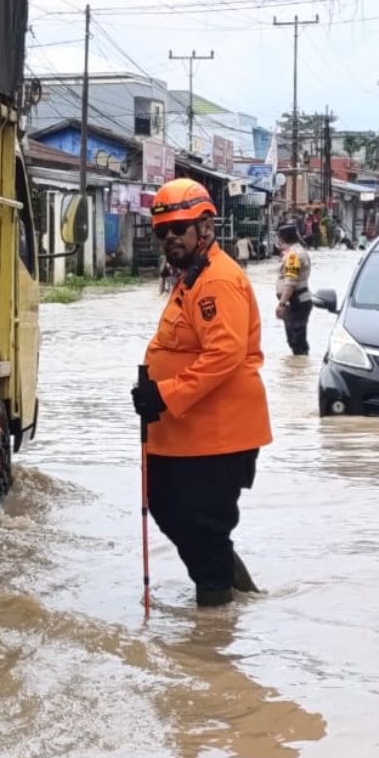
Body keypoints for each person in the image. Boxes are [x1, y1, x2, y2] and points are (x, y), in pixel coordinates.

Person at [130, 179, 272, 607]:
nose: (169, 238)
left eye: (179, 228)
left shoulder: (216, 282)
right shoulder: (191, 278)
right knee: (170, 510)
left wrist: (166, 394)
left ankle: (214, 634)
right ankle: (241, 600)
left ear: (205, 226)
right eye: (161, 232)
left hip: (216, 436)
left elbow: (224, 355)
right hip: (186, 434)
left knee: (202, 527)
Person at [275, 221, 313, 354]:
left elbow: (290, 282)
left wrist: (281, 304)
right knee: (296, 340)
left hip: (296, 302)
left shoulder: (293, 256)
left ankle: (299, 370)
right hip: (298, 301)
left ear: (281, 238)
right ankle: (300, 371)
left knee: (296, 341)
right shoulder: (297, 251)